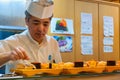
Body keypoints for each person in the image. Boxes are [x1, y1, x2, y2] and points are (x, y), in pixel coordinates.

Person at [0, 0, 62, 73]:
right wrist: (8, 55)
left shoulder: (53, 42)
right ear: (27, 21)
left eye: (45, 24)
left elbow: (59, 68)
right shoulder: (12, 41)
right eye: (36, 23)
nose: (41, 29)